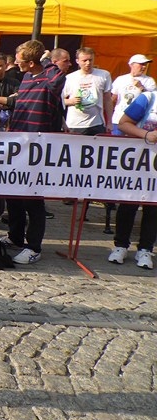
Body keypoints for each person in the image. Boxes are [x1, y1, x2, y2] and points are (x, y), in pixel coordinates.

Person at [3, 40, 66, 265]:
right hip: (18, 142)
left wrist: (46, 60)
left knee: (33, 199)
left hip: (37, 146)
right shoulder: (27, 77)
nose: (16, 64)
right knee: (13, 195)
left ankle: (34, 247)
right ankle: (15, 237)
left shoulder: (50, 77)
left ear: (31, 62)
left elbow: (59, 80)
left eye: (19, 61)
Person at [110, 92, 157, 270]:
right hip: (137, 160)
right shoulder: (149, 98)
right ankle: (121, 245)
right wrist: (146, 134)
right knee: (128, 204)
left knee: (154, 207)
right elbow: (123, 123)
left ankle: (145, 249)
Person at [62, 47, 113, 135]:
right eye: (84, 60)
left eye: (90, 60)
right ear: (77, 61)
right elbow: (58, 101)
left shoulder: (104, 75)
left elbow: (108, 100)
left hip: (97, 123)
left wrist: (109, 122)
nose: (88, 63)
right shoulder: (69, 78)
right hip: (75, 124)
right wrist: (71, 101)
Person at [110, 54, 155, 135]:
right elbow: (113, 98)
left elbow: (153, 101)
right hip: (118, 119)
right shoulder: (120, 79)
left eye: (145, 64)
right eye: (141, 64)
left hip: (138, 122)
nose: (144, 67)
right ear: (131, 65)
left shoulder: (149, 81)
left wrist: (141, 88)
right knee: (116, 141)